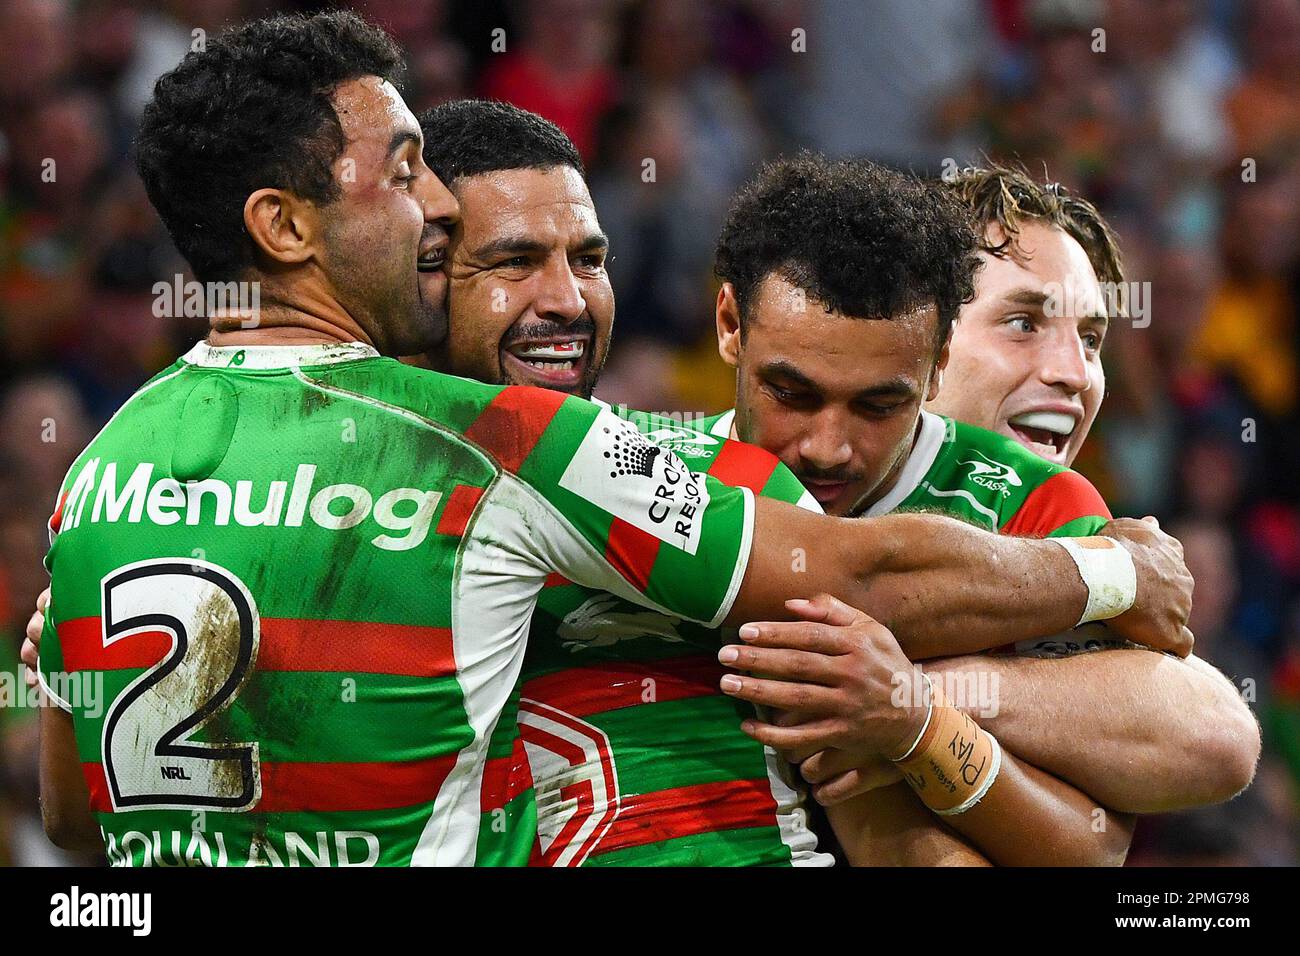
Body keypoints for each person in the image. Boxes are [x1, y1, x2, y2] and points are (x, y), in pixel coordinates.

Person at [30, 18, 1189, 867]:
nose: (431, 205)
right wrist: (1116, 571)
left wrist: (924, 709)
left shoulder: (100, 475)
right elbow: (859, 571)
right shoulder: (500, 441)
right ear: (283, 226)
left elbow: (86, 830)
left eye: (588, 257)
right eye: (410, 185)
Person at [701, 157, 1258, 864]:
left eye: (1090, 339)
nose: (1074, 372)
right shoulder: (703, 480)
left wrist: (916, 705)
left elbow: (1202, 751)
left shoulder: (1047, 505)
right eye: (1023, 323)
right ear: (917, 323)